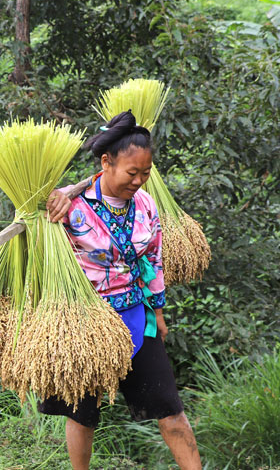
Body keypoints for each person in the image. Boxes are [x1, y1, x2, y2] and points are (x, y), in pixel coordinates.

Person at [43, 111, 202, 470]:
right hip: (88, 323)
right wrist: (54, 198)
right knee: (83, 413)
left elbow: (154, 259)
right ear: (106, 162)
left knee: (170, 409)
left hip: (136, 315)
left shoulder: (145, 203)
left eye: (145, 173)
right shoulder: (73, 207)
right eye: (133, 173)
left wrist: (158, 312)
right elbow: (34, 234)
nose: (139, 181)